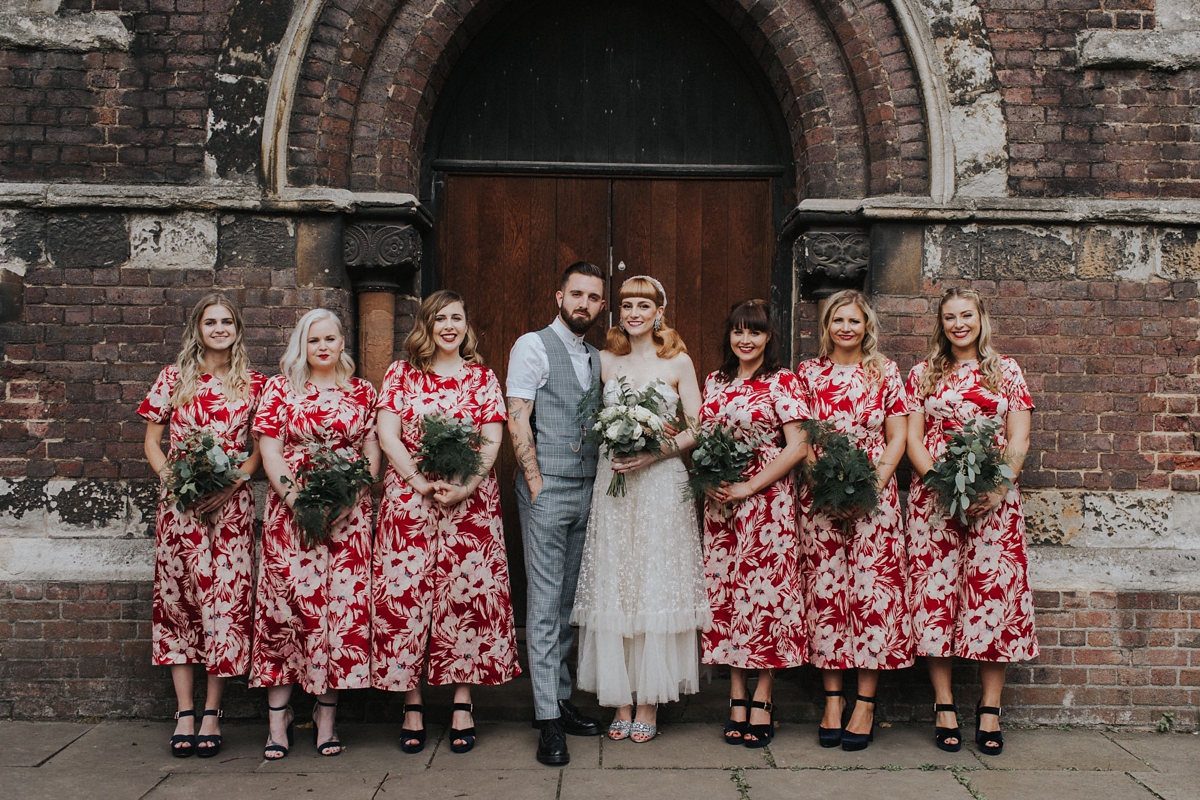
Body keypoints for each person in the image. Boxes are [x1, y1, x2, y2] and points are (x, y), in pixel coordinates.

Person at [372, 290, 521, 755]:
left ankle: (462, 701)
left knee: (465, 596)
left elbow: (492, 440)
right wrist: (418, 482)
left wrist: (466, 486)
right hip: (409, 504)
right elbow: (388, 435)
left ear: (466, 325)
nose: (449, 326)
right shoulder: (401, 374)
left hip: (468, 504)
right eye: (440, 318)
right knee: (406, 595)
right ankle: (411, 703)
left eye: (457, 317)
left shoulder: (481, 377)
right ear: (427, 325)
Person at [570, 276, 709, 744]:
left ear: (658, 311)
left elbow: (697, 427)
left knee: (654, 580)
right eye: (627, 304)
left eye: (643, 305)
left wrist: (654, 452)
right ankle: (621, 701)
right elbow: (588, 416)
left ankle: (648, 700)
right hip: (615, 484)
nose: (634, 312)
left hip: (662, 485)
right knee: (618, 582)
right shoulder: (605, 360)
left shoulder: (679, 362)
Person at [905, 287, 1035, 757]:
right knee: (935, 594)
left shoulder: (1006, 371)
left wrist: (997, 488)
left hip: (993, 501)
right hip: (934, 500)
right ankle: (944, 705)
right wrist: (940, 484)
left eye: (966, 315)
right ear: (941, 324)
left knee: (992, 595)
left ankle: (990, 707)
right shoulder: (922, 373)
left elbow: (1018, 436)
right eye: (949, 317)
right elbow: (913, 439)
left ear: (981, 318)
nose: (959, 324)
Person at [250, 308, 382, 759]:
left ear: (342, 342)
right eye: (314, 340)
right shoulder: (280, 389)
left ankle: (326, 719)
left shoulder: (363, 392)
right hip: (293, 517)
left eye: (330, 339)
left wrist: (351, 498)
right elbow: (271, 451)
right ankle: (278, 721)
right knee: (286, 610)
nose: (323, 347)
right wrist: (300, 505)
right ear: (301, 346)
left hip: (348, 520)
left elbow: (370, 451)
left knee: (339, 614)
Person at [139, 293, 265, 758]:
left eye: (226, 321)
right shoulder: (173, 379)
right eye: (210, 322)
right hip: (180, 508)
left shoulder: (254, 384)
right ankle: (185, 710)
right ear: (197, 329)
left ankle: (213, 710)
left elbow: (260, 450)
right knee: (180, 601)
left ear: (237, 329)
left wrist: (232, 483)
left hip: (230, 507)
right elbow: (153, 441)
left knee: (225, 603)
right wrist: (175, 480)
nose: (218, 329)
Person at [795, 290, 912, 752]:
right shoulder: (808, 373)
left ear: (867, 326)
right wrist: (823, 485)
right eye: (838, 320)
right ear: (827, 325)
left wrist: (870, 489)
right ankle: (832, 700)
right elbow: (799, 437)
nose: (846, 327)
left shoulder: (884, 371)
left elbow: (898, 436)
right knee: (827, 597)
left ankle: (865, 703)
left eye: (854, 321)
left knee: (872, 597)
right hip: (819, 500)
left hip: (874, 502)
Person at [506, 261, 607, 765]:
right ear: (558, 296)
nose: (583, 304)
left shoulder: (596, 355)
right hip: (548, 491)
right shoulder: (533, 345)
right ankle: (547, 721)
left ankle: (560, 699)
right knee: (544, 605)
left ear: (601, 305)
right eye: (576, 294)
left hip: (590, 490)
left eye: (593, 297)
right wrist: (536, 482)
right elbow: (517, 414)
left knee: (569, 602)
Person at [698, 299, 809, 748]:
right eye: (739, 331)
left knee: (764, 603)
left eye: (756, 332)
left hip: (767, 508)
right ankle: (736, 694)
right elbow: (703, 438)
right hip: (721, 509)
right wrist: (707, 480)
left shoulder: (783, 381)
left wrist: (749, 487)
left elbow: (797, 446)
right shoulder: (715, 382)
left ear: (769, 338)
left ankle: (763, 695)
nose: (746, 340)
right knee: (726, 599)